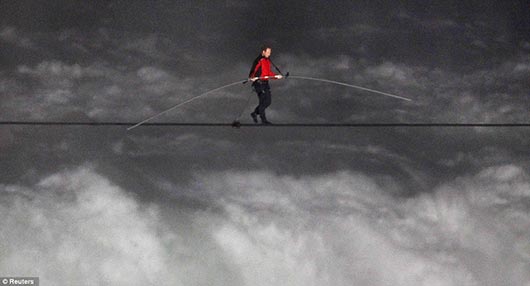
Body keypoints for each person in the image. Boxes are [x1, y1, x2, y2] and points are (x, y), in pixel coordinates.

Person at [249, 45, 283, 124]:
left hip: (265, 83)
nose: (269, 54)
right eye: (268, 52)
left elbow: (268, 72)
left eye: (270, 53)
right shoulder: (259, 60)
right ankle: (263, 120)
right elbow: (253, 70)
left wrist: (276, 76)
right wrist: (252, 77)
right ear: (263, 52)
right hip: (259, 83)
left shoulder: (267, 61)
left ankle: (254, 113)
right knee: (262, 100)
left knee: (268, 101)